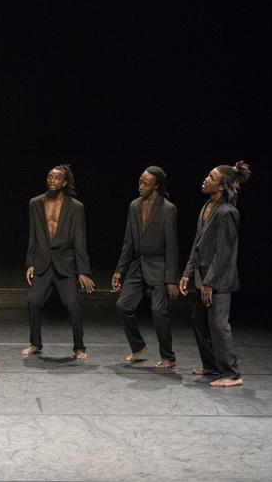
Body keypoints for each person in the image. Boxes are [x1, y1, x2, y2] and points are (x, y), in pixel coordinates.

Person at [179, 161, 251, 387]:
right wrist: (186, 273)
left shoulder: (227, 212)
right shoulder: (206, 207)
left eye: (211, 177)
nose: (206, 179)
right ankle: (211, 364)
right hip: (203, 277)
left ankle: (232, 374)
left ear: (221, 186)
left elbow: (224, 252)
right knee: (199, 320)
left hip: (219, 280)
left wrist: (210, 283)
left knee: (219, 325)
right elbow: (198, 244)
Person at [25, 164, 95, 360]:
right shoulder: (35, 203)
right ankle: (35, 343)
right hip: (43, 262)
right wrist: (30, 262)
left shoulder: (75, 207)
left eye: (56, 178)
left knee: (72, 304)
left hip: (66, 263)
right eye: (49, 177)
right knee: (33, 301)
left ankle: (79, 347)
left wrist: (83, 271)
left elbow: (80, 240)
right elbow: (33, 236)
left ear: (65, 183)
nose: (51, 180)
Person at [112, 166, 179, 368]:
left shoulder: (168, 209)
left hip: (159, 266)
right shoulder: (134, 205)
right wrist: (119, 270)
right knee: (123, 306)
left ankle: (168, 356)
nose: (140, 186)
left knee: (159, 312)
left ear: (157, 185)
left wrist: (171, 280)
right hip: (137, 265)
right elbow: (128, 242)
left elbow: (172, 246)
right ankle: (138, 346)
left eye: (146, 183)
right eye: (140, 181)